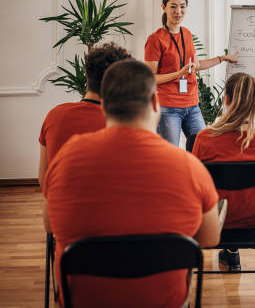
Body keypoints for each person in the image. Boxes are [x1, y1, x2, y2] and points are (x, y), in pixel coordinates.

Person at [44, 60, 221, 308]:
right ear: (155, 103)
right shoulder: (189, 167)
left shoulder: (66, 158)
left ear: (103, 104)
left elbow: (49, 224)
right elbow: (210, 237)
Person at [192, 72, 255, 271]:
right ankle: (231, 254)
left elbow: (196, 186)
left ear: (226, 100)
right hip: (254, 221)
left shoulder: (205, 139)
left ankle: (230, 253)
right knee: (242, 195)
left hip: (215, 223)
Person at [144, 0, 238, 146]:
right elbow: (150, 78)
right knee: (171, 155)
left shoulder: (186, 34)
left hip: (192, 105)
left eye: (182, 6)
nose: (178, 11)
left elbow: (197, 65)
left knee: (204, 148)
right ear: (163, 7)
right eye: (173, 6)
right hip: (168, 107)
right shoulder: (155, 39)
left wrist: (223, 58)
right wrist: (178, 73)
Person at [38, 42, 132, 191]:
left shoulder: (54, 115)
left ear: (88, 76)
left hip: (60, 209)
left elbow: (44, 181)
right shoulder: (122, 124)